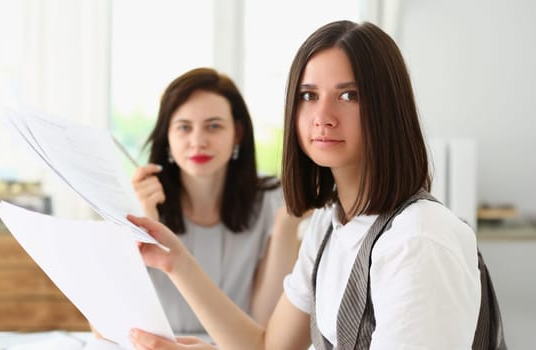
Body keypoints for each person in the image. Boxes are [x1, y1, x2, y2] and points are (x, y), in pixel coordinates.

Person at [125, 20, 483, 350]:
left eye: (349, 95)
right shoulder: (330, 224)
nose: (322, 118)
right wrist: (175, 261)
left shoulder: (417, 240)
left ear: (387, 109)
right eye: (309, 96)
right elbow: (269, 347)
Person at [129, 67, 304, 334]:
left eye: (213, 126)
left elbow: (268, 325)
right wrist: (142, 222)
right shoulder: (140, 200)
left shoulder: (273, 199)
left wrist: (285, 225)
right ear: (167, 137)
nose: (198, 141)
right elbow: (103, 325)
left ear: (237, 133)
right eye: (184, 127)